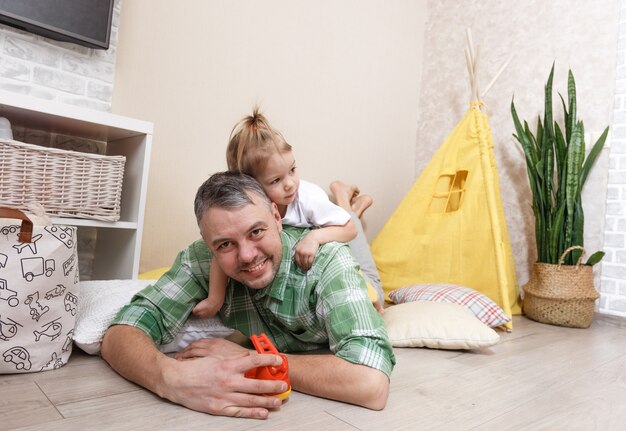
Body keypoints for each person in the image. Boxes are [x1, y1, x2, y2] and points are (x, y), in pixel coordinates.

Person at [101, 171, 395, 419]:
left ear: (278, 218)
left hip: (347, 264)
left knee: (356, 240)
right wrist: (169, 378)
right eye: (225, 244)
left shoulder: (329, 261)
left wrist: (250, 357)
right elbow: (122, 332)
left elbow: (370, 382)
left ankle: (346, 204)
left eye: (256, 232)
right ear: (207, 243)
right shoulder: (200, 258)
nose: (246, 256)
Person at [193, 108, 383, 318]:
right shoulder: (245, 211)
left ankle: (345, 202)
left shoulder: (307, 197)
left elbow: (349, 229)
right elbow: (220, 255)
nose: (290, 184)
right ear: (249, 185)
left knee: (374, 289)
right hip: (326, 218)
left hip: (340, 232)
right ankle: (345, 204)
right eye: (276, 180)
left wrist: (315, 237)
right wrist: (215, 299)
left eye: (292, 170)